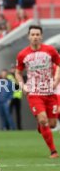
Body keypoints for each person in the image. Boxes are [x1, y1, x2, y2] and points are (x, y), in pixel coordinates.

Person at [15, 25, 60, 158]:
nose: (35, 37)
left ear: (41, 36)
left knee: (52, 124)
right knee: (43, 120)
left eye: (37, 34)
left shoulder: (50, 50)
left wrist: (56, 80)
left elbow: (58, 64)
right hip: (34, 93)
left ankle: (41, 126)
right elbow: (18, 72)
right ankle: (53, 151)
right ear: (29, 37)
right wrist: (23, 86)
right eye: (32, 34)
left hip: (49, 92)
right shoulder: (22, 54)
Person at [7, 65, 23, 130]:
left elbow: (19, 86)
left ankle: (19, 127)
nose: (13, 70)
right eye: (12, 69)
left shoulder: (18, 76)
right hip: (11, 98)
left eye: (14, 69)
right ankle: (9, 127)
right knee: (9, 113)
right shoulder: (9, 77)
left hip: (18, 97)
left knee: (18, 114)